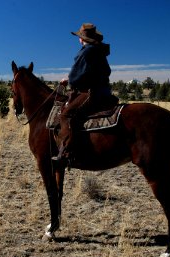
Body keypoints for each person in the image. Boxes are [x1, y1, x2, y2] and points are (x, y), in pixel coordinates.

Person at [52, 23, 115, 163]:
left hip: (92, 93)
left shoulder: (86, 51)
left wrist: (68, 81)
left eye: (80, 37)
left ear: (82, 38)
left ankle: (66, 151)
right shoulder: (98, 51)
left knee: (65, 115)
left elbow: (75, 77)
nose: (79, 39)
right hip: (104, 91)